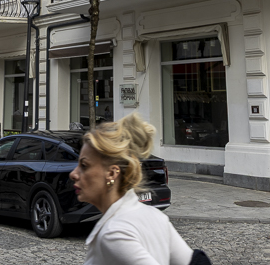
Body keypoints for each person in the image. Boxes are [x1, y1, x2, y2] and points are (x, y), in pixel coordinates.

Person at [70, 113, 200, 265]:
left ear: (112, 173)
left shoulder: (114, 234)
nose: (73, 174)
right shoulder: (154, 216)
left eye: (84, 165)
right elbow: (195, 261)